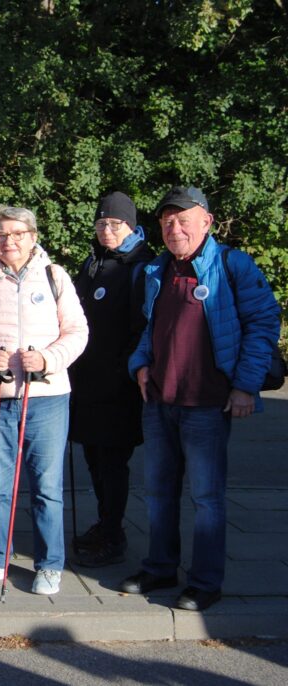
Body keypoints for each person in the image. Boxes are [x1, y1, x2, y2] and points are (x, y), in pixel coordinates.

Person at [121, 186, 280, 612]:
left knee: (206, 498)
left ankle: (206, 582)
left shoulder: (232, 264)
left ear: (206, 221)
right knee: (158, 492)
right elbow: (149, 328)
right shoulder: (157, 269)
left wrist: (245, 385)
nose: (174, 228)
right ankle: (160, 567)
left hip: (208, 403)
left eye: (183, 220)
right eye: (167, 221)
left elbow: (263, 321)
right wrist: (140, 364)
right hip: (159, 401)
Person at [0, 206, 88, 595]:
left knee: (46, 486)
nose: (9, 241)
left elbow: (77, 332)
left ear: (32, 235)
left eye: (17, 233)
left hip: (47, 398)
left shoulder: (54, 275)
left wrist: (47, 358)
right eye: (1, 234)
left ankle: (49, 564)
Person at [68, 192, 154, 567]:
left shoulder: (141, 266)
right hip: (86, 382)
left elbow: (143, 326)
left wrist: (125, 370)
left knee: (112, 462)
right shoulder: (94, 262)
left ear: (131, 227)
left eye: (114, 224)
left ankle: (113, 532)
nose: (106, 229)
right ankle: (104, 524)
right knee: (93, 458)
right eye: (101, 223)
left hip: (119, 385)